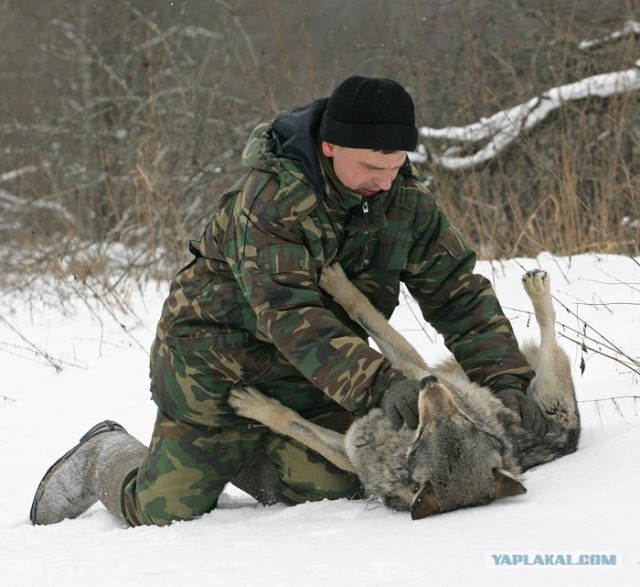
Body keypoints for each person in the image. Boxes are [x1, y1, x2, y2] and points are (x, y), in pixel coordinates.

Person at [30, 75, 545, 527]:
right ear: (329, 147)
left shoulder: (404, 202)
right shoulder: (270, 199)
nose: (385, 181)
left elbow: (458, 293)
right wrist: (382, 383)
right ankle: (106, 450)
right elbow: (291, 316)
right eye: (371, 166)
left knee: (345, 484)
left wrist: (506, 379)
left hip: (312, 383)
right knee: (163, 512)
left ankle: (259, 454)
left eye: (396, 165)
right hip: (214, 371)